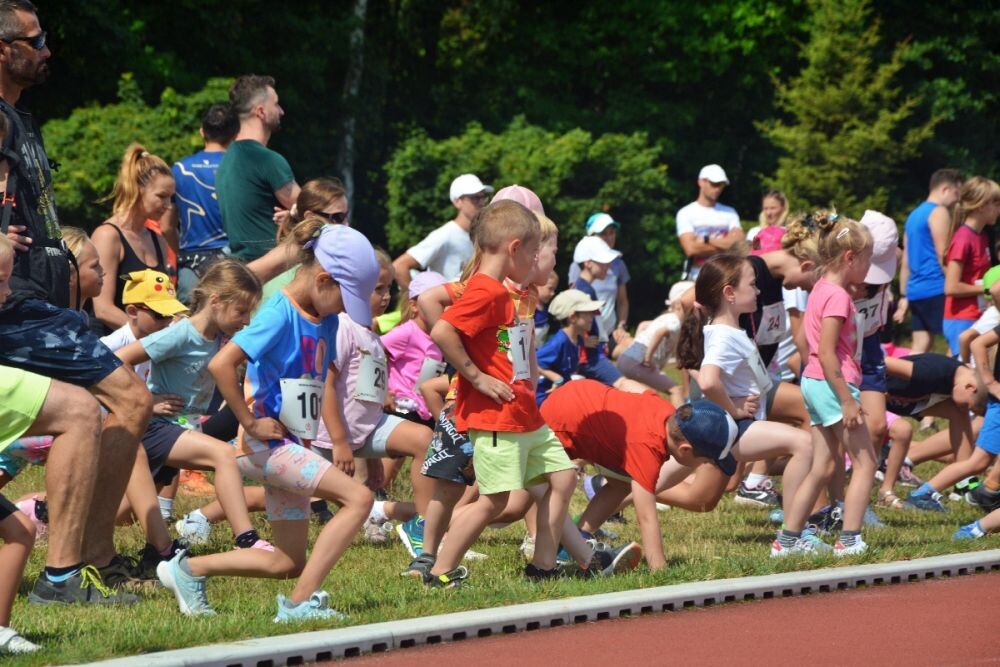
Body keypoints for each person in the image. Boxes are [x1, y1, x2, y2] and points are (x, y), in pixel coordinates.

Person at [0, 0, 149, 603]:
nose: (46, 50)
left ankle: (76, 561)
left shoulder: (18, 117)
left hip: (39, 300)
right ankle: (79, 562)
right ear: (3, 50)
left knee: (91, 412)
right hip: (14, 304)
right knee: (122, 401)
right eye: (35, 41)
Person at [157, 222, 379, 621]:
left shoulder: (324, 318)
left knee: (286, 562)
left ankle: (188, 570)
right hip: (265, 447)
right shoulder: (279, 313)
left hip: (293, 447)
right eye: (344, 298)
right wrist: (251, 422)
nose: (345, 309)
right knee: (359, 498)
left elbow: (319, 383)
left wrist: (336, 439)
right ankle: (299, 605)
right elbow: (222, 364)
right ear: (324, 279)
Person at [427, 199, 577, 586]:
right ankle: (439, 570)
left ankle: (543, 566)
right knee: (494, 500)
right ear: (514, 248)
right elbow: (443, 331)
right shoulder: (486, 291)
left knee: (562, 477)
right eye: (533, 252)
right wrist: (476, 377)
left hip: (523, 413)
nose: (536, 260)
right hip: (496, 417)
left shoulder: (502, 292)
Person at [116, 260, 265, 580]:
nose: (246, 320)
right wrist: (147, 401)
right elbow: (118, 360)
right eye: (241, 311)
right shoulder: (181, 333)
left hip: (184, 426)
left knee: (121, 511)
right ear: (216, 302)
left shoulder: (216, 337)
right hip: (157, 427)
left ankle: (47, 518)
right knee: (223, 454)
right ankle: (247, 540)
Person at [674, 254, 817, 557]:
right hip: (737, 428)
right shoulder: (724, 336)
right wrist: (736, 409)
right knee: (804, 444)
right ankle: (791, 538)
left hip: (738, 424)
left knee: (676, 484)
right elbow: (710, 380)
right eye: (752, 285)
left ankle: (611, 497)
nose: (759, 291)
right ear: (729, 293)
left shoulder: (729, 331)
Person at [312, 248, 434, 542]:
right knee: (286, 495)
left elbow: (370, 392)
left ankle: (425, 528)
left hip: (365, 430)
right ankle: (203, 516)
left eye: (389, 287)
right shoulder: (342, 327)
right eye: (377, 288)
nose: (387, 296)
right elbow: (326, 385)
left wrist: (376, 455)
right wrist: (340, 443)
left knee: (424, 440)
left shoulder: (371, 333)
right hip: (330, 437)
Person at [797, 212, 876, 556]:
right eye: (867, 259)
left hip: (813, 383)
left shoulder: (820, 288)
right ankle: (850, 539)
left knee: (824, 465)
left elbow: (806, 340)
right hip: (832, 386)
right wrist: (847, 399)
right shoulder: (839, 297)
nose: (869, 267)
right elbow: (828, 352)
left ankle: (787, 540)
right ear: (850, 258)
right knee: (866, 463)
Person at [90, 143, 174, 334]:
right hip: (109, 345)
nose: (168, 205)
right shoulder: (108, 236)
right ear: (137, 189)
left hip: (144, 350)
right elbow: (103, 309)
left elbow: (165, 304)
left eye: (171, 198)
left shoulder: (158, 241)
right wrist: (152, 335)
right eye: (162, 196)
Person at [216, 74, 300, 261]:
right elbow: (316, 209)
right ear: (261, 112)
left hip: (242, 271)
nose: (281, 111)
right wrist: (295, 213)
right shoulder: (266, 159)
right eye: (276, 104)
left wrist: (293, 213)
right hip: (273, 271)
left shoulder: (226, 160)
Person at [165, 103, 239, 303]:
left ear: (202, 132)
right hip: (233, 262)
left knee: (191, 323)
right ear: (235, 134)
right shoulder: (241, 168)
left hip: (192, 264)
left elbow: (166, 226)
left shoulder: (180, 169)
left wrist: (182, 252)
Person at [895, 169, 963, 353]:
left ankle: (910, 382)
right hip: (936, 288)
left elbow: (907, 261)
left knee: (919, 346)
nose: (957, 200)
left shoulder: (913, 216)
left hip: (916, 291)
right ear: (945, 189)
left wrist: (904, 295)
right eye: (956, 193)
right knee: (957, 342)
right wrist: (957, 285)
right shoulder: (939, 212)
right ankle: (952, 381)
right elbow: (944, 254)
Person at [392, 174, 492, 291]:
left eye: (482, 197)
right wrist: (417, 301)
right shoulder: (445, 235)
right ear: (457, 201)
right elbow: (399, 266)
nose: (481, 202)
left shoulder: (484, 235)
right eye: (474, 198)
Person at [941, 177, 1000, 356]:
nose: (999, 210)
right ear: (981, 206)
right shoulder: (963, 238)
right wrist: (989, 289)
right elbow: (951, 287)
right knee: (965, 378)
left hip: (976, 314)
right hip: (961, 318)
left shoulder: (981, 236)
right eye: (996, 204)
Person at [382, 271, 449, 426]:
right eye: (437, 303)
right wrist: (382, 392)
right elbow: (372, 350)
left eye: (446, 303)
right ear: (414, 306)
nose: (443, 309)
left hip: (427, 411)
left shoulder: (440, 335)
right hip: (403, 409)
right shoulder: (406, 332)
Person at [567, 212, 631, 341]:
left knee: (637, 351)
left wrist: (621, 326)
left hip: (610, 333)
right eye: (603, 233)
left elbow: (622, 301)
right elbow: (572, 305)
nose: (609, 237)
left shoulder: (619, 264)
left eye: (612, 232)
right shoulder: (578, 265)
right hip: (589, 337)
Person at [675, 164, 743, 280]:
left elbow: (740, 244)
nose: (718, 188)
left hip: (727, 275)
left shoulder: (730, 212)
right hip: (698, 276)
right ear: (701, 182)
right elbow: (690, 249)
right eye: (714, 184)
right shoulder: (686, 213)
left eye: (721, 185)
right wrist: (726, 245)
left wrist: (706, 240)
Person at [536, 288, 604, 403]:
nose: (592, 316)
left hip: (561, 397)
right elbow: (533, 361)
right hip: (544, 399)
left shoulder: (577, 339)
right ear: (572, 317)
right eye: (588, 313)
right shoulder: (559, 342)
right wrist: (556, 378)